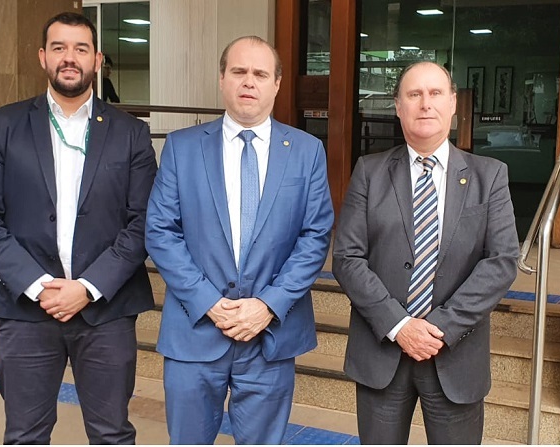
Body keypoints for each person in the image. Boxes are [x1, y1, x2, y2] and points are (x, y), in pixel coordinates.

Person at [0, 12, 156, 444]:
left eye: (81, 49)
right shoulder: (4, 125)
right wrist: (37, 284)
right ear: (42, 57)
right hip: (25, 310)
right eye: (60, 48)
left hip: (106, 311)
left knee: (112, 435)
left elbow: (144, 221)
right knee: (26, 434)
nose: (70, 58)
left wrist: (87, 287)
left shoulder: (130, 133)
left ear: (98, 60)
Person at [145, 35, 334, 444]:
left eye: (260, 73)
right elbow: (160, 231)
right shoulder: (181, 147)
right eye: (239, 72)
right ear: (222, 79)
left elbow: (315, 235)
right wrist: (208, 302)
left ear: (277, 84)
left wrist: (268, 304)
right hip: (195, 331)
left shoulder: (307, 151)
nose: (249, 81)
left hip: (270, 336)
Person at [332, 61, 519, 445]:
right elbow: (347, 258)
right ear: (398, 106)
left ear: (453, 104)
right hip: (382, 353)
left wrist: (440, 328)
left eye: (435, 94)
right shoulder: (369, 171)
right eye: (414, 95)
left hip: (455, 355)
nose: (425, 104)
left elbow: (501, 262)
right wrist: (400, 326)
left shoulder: (490, 175)